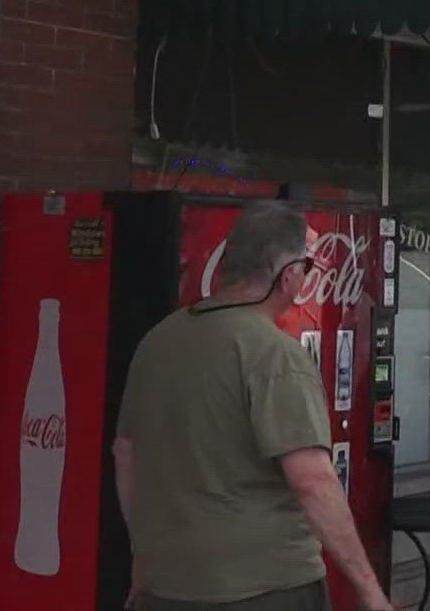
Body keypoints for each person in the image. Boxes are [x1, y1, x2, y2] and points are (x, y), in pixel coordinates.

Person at [112, 201, 391, 611]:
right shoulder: (274, 354)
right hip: (266, 586)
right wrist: (370, 592)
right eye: (308, 269)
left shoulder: (158, 340)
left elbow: (126, 453)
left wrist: (144, 556)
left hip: (165, 586)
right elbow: (312, 481)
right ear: (289, 275)